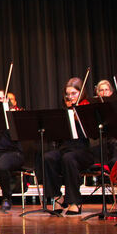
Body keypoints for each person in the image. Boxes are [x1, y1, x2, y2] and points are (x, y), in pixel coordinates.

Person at [37, 77, 94, 215]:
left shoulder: (87, 108)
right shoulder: (65, 111)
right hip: (65, 149)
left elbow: (94, 135)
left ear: (81, 93)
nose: (70, 97)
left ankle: (75, 202)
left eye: (74, 93)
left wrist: (81, 117)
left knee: (68, 158)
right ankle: (57, 197)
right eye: (68, 94)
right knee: (48, 157)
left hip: (83, 151)